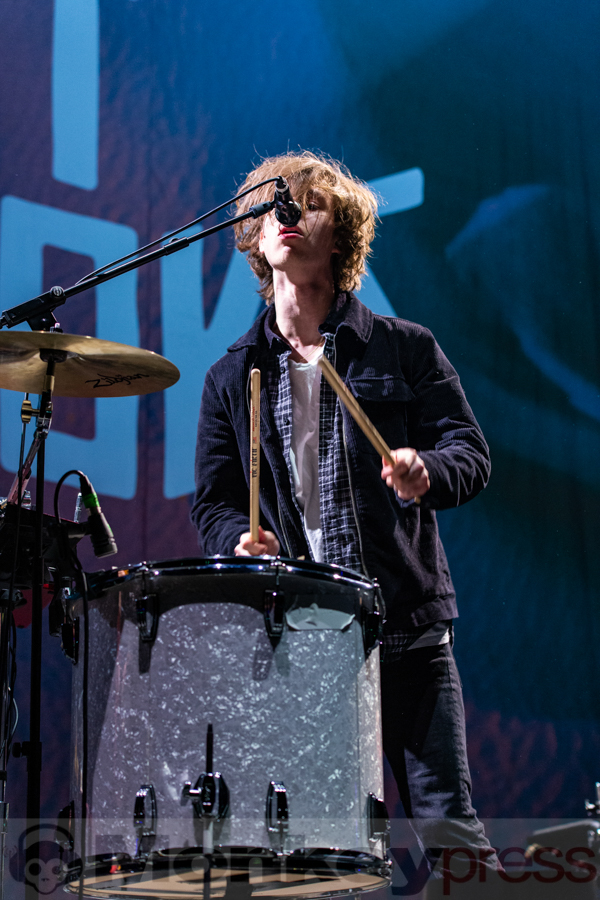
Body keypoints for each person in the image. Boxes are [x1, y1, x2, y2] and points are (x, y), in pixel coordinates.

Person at [191, 150, 501, 894]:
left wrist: (428, 472)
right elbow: (212, 500)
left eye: (307, 206)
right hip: (309, 647)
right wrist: (236, 537)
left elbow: (471, 453)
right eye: (274, 208)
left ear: (344, 236)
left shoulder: (403, 347)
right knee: (334, 859)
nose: (287, 218)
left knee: (454, 840)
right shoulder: (231, 377)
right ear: (255, 239)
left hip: (410, 636)